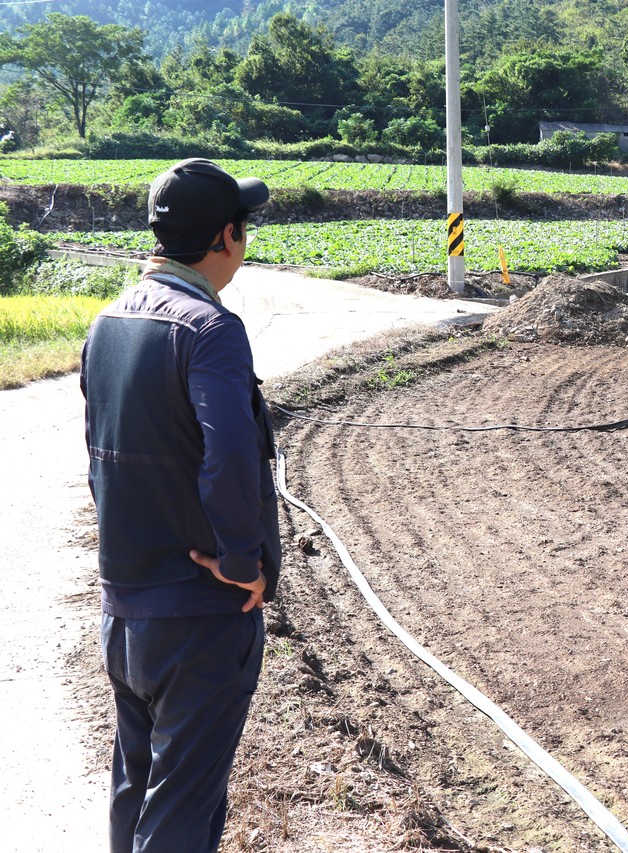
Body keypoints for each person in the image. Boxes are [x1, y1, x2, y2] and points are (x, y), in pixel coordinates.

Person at [81, 158, 280, 853]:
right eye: (244, 229)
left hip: (125, 607)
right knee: (182, 814)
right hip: (198, 614)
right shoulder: (210, 330)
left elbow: (97, 461)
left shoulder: (108, 321)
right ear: (226, 236)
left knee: (135, 791)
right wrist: (241, 559)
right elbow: (230, 455)